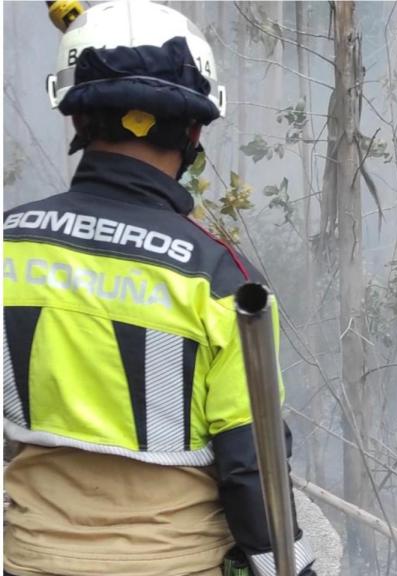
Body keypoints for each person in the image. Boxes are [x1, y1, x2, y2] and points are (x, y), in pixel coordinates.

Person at [3, 2, 316, 575]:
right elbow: (249, 466)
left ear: (77, 121)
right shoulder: (224, 278)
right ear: (194, 131)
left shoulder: (8, 244)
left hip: (28, 559)